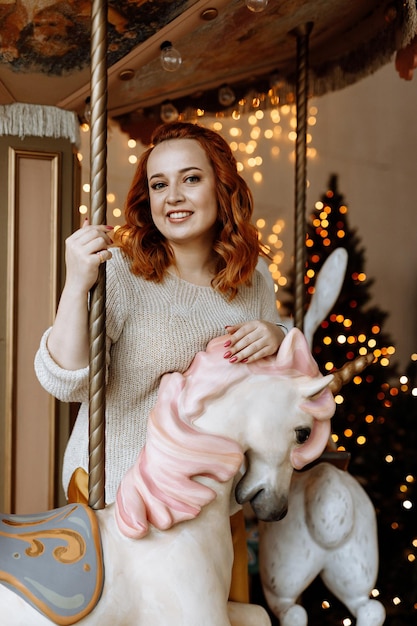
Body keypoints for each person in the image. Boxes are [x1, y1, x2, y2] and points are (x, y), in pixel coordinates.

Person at [34, 120, 286, 601]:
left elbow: (273, 385)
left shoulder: (254, 280)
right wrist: (75, 283)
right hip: (122, 486)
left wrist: (278, 334)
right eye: (158, 184)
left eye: (191, 178)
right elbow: (66, 381)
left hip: (212, 496)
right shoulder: (123, 273)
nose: (173, 196)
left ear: (222, 185)